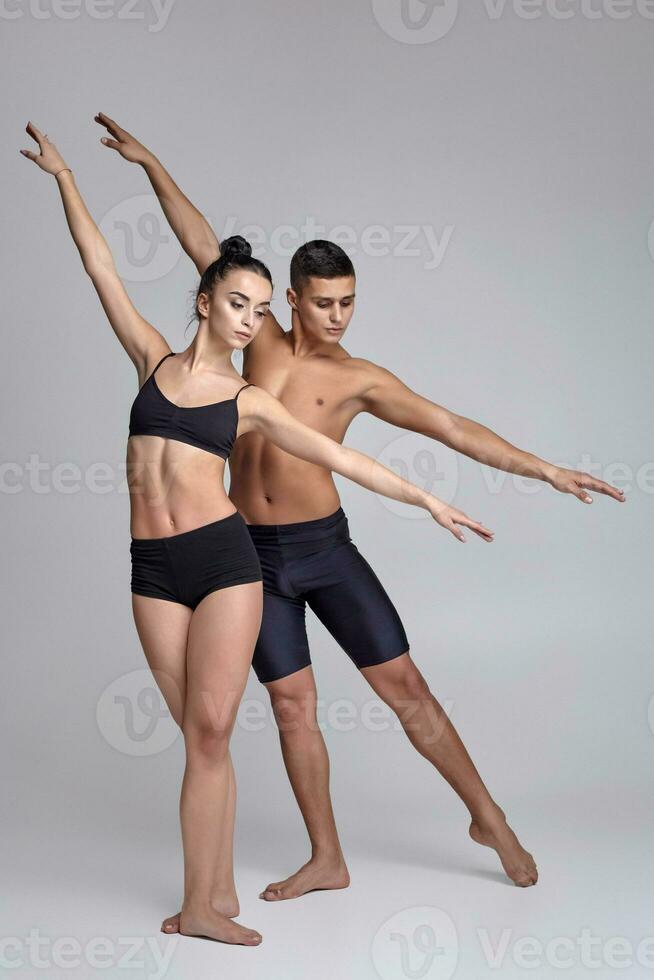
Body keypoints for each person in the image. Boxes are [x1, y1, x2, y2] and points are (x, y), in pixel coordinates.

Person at [91, 115, 625, 924]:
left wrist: (542, 468)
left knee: (406, 686)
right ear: (293, 302)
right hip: (249, 558)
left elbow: (453, 428)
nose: (339, 317)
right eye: (326, 304)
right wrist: (150, 165)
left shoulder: (362, 378)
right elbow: (201, 240)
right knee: (293, 707)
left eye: (349, 304)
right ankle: (327, 857)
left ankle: (490, 818)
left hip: (325, 549)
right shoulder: (255, 343)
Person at [21, 121, 491, 945]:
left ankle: (200, 905)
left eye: (264, 309)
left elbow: (338, 459)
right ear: (205, 300)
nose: (251, 320)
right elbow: (99, 265)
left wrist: (424, 498)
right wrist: (65, 178)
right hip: (152, 567)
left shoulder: (250, 402)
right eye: (240, 303)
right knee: (198, 734)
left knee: (210, 728)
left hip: (227, 561)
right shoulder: (151, 358)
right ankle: (214, 893)